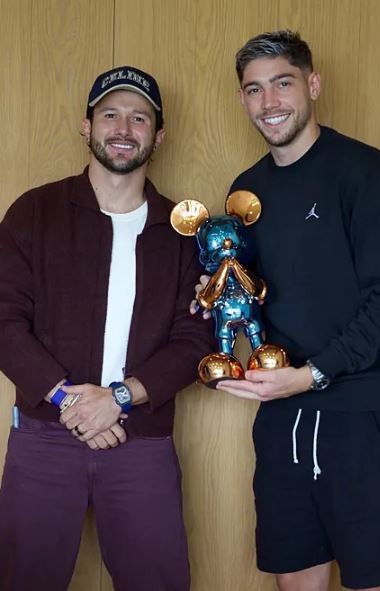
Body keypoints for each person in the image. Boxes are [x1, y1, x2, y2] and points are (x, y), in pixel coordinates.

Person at [198, 30, 380, 591]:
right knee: (296, 579)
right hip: (282, 416)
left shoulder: (368, 174)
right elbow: (258, 293)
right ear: (243, 99)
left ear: (313, 84)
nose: (269, 102)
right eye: (254, 89)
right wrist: (221, 293)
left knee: (375, 581)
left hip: (361, 414)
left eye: (283, 83)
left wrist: (313, 375)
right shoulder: (246, 192)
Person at [0, 65, 214, 591]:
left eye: (139, 117)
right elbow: (4, 319)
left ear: (158, 134)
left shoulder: (184, 231)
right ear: (86, 125)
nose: (124, 128)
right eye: (111, 114)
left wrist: (118, 398)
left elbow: (196, 339)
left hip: (140, 440)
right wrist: (70, 401)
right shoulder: (35, 212)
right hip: (44, 438)